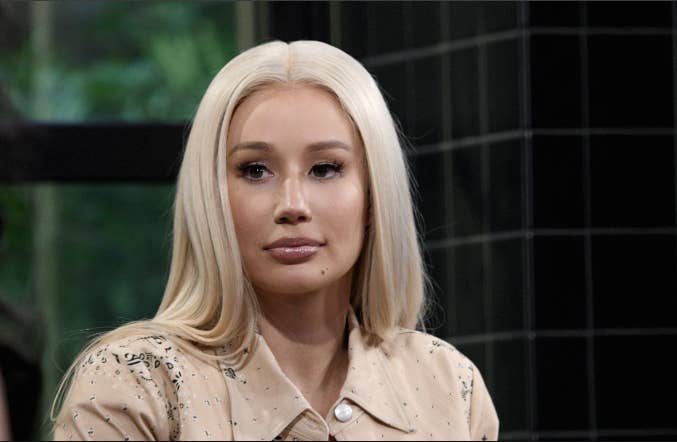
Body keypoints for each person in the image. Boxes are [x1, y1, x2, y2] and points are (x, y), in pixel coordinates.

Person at [52, 40, 498, 441]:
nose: (292, 205)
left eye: (325, 168)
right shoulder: (137, 383)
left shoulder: (449, 384)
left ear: (373, 193)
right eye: (255, 171)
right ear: (211, 197)